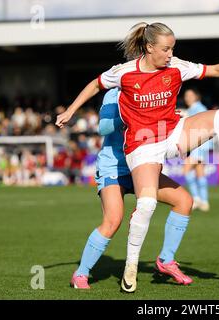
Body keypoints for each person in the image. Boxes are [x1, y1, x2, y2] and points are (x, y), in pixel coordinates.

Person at [56, 22, 219, 293]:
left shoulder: (175, 66)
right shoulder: (122, 78)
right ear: (149, 47)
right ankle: (93, 272)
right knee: (117, 218)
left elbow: (212, 70)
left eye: (172, 48)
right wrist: (73, 112)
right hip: (127, 158)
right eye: (166, 49)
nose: (170, 54)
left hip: (168, 135)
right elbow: (99, 102)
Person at [70, 88, 194, 292]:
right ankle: (81, 273)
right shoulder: (117, 89)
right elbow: (104, 127)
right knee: (113, 220)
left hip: (142, 165)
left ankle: (166, 260)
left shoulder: (158, 90)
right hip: (114, 168)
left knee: (184, 201)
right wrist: (135, 114)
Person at [182, 88, 212, 212]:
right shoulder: (195, 109)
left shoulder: (198, 109)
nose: (187, 98)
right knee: (200, 171)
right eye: (186, 95)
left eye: (190, 95)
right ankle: (204, 201)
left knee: (186, 169)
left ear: (196, 96)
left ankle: (196, 198)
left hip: (199, 144)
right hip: (201, 145)